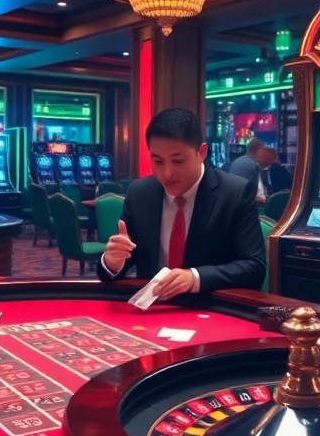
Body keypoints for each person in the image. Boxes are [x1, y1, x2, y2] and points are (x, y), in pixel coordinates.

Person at [98, 107, 265, 298]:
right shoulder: (140, 193)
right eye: (158, 161)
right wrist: (113, 261)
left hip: (209, 308)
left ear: (201, 152)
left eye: (178, 161)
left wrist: (194, 278)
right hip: (151, 311)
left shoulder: (235, 193)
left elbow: (254, 267)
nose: (167, 173)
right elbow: (116, 268)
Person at [228, 138, 278, 205]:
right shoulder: (250, 165)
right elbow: (245, 194)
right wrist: (264, 201)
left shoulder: (242, 161)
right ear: (258, 151)